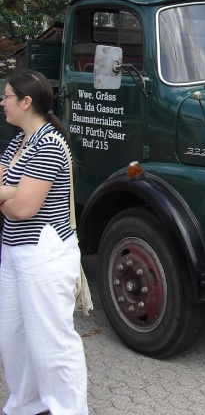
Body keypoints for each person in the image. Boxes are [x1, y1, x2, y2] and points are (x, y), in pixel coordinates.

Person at [0, 70, 88, 415]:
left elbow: (23, 208)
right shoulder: (17, 141)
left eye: (6, 96)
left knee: (51, 344)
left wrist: (12, 194)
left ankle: (68, 409)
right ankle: (26, 406)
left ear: (26, 102)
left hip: (44, 255)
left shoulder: (50, 143)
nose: (2, 102)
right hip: (14, 254)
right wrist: (14, 191)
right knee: (15, 340)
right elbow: (15, 196)